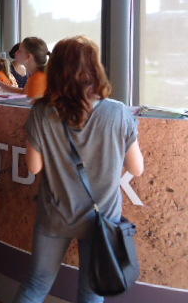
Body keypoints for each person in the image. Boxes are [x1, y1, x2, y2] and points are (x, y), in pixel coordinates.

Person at [12, 36, 144, 303]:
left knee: (36, 284)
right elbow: (136, 168)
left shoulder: (41, 112)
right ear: (95, 68)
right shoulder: (118, 112)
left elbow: (34, 167)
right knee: (91, 291)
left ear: (56, 70)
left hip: (56, 214)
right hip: (102, 218)